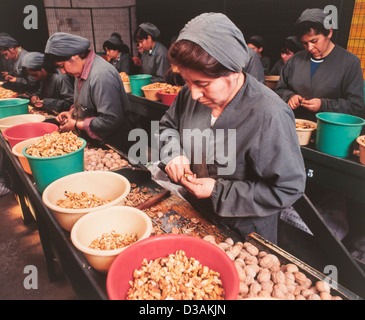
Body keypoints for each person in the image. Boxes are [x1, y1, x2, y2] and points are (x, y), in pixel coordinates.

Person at [157, 13, 306, 243]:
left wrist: (218, 191)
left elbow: (287, 188)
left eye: (202, 84)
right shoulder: (189, 94)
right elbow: (167, 126)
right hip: (195, 216)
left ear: (234, 72)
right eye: (187, 82)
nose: (194, 94)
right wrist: (173, 154)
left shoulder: (269, 115)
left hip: (244, 234)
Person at [44, 32, 134, 153]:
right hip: (98, 140)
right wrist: (72, 113)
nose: (63, 72)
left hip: (116, 144)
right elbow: (85, 101)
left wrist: (76, 125)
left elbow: (111, 120)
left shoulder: (101, 75)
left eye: (62, 66)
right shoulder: (79, 71)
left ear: (75, 56)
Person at [275, 8, 365, 122]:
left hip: (330, 129)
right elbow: (279, 90)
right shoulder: (294, 61)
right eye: (304, 43)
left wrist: (323, 105)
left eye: (314, 41)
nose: (310, 48)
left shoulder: (349, 63)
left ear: (329, 32)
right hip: (295, 125)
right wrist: (290, 96)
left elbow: (355, 106)